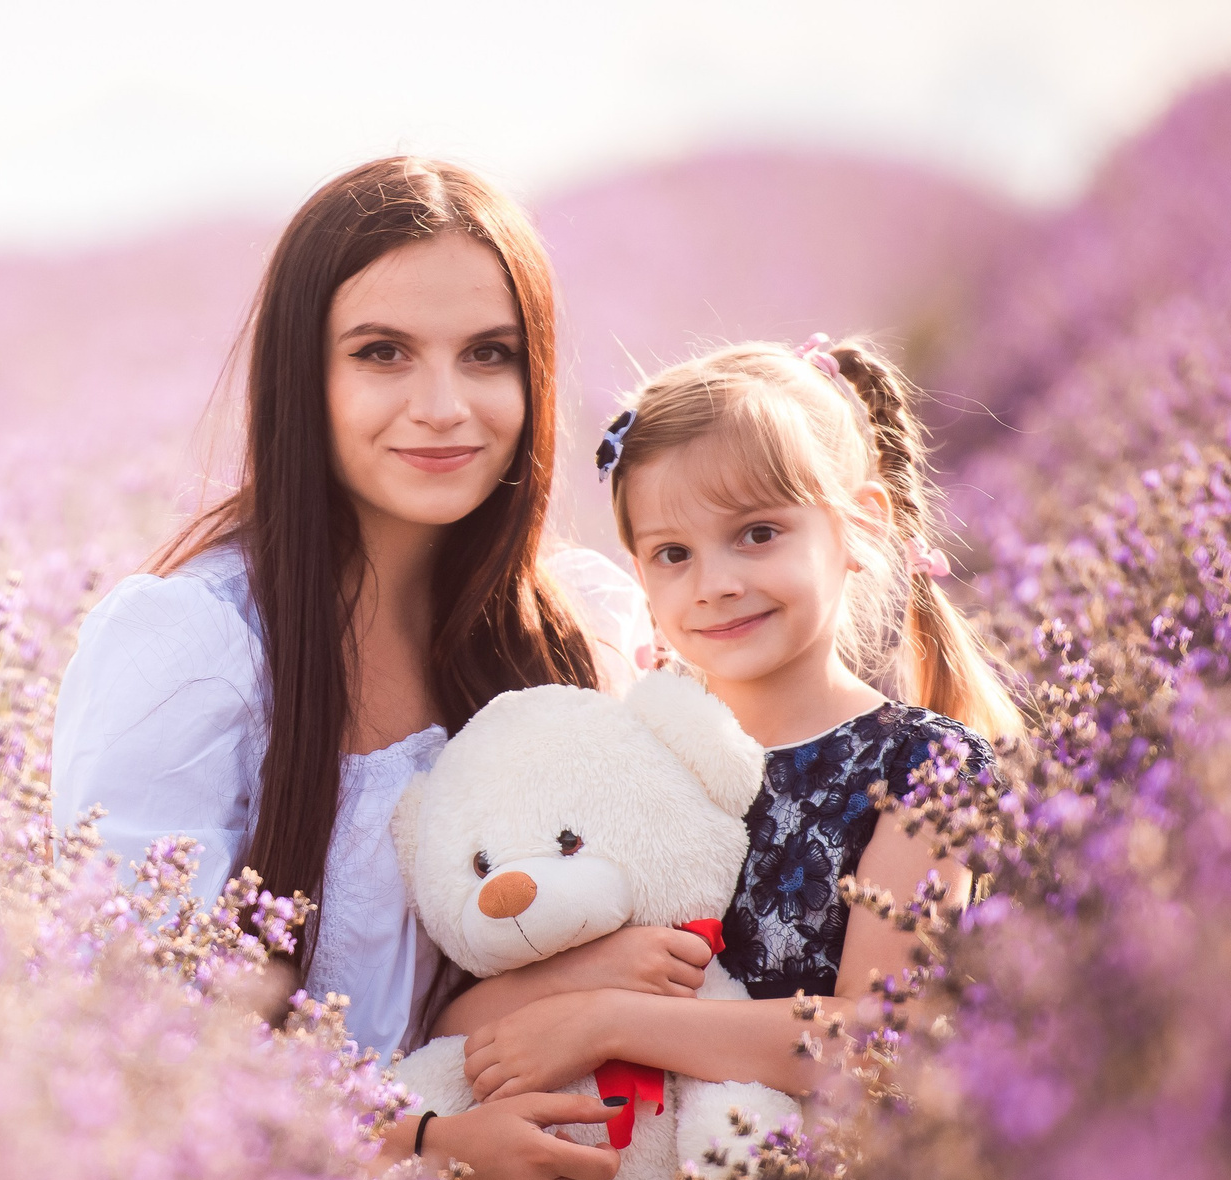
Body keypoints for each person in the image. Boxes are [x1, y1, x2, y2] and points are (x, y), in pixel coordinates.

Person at [49, 157, 654, 1180]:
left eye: (488, 356)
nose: (442, 406)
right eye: (381, 354)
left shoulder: (576, 635)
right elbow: (127, 1049)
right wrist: (423, 1155)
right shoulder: (194, 647)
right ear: (302, 377)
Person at [435, 333, 1018, 1111]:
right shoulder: (622, 752)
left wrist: (609, 1021)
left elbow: (880, 1040)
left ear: (863, 528)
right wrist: (586, 977)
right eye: (674, 553)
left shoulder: (921, 770)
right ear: (638, 574)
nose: (714, 584)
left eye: (758, 534)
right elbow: (458, 1021)